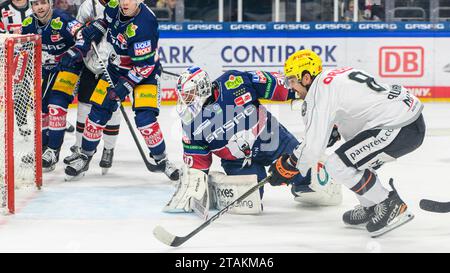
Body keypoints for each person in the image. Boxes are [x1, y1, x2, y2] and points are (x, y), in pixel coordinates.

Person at [268, 49, 425, 238]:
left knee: (336, 164)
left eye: (292, 80)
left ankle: (390, 205)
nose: (291, 86)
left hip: (399, 125)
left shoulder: (319, 92)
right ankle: (371, 206)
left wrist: (289, 165)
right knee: (351, 161)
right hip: (405, 119)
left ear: (306, 77)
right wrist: (331, 130)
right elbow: (355, 114)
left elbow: (312, 148)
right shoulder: (334, 77)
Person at [163, 66, 343, 215]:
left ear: (202, 87)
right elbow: (197, 166)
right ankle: (216, 186)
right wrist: (196, 186)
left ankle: (316, 175)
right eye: (184, 96)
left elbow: (283, 87)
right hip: (238, 162)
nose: (185, 100)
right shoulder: (191, 124)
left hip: (273, 140)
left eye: (188, 94)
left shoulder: (234, 81)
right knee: (248, 204)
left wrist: (318, 103)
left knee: (314, 186)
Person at [62, 0, 179, 181]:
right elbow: (104, 22)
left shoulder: (145, 24)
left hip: (144, 74)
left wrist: (124, 87)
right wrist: (89, 36)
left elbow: (144, 67)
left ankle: (162, 159)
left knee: (145, 119)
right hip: (115, 69)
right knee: (97, 113)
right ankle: (85, 156)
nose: (125, 2)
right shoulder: (115, 5)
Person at [21, 0, 84, 172]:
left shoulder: (62, 19)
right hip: (47, 71)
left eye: (43, 3)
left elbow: (84, 35)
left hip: (69, 68)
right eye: (35, 4)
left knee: (56, 105)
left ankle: (53, 151)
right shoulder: (28, 23)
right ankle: (43, 148)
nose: (39, 7)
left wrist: (72, 54)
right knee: (41, 109)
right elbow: (22, 48)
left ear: (50, 4)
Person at [63, 0, 121, 175]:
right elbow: (78, 33)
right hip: (90, 63)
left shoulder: (123, 4)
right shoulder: (88, 5)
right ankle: (80, 149)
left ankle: (108, 149)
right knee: (83, 107)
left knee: (111, 108)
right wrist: (84, 33)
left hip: (112, 65)